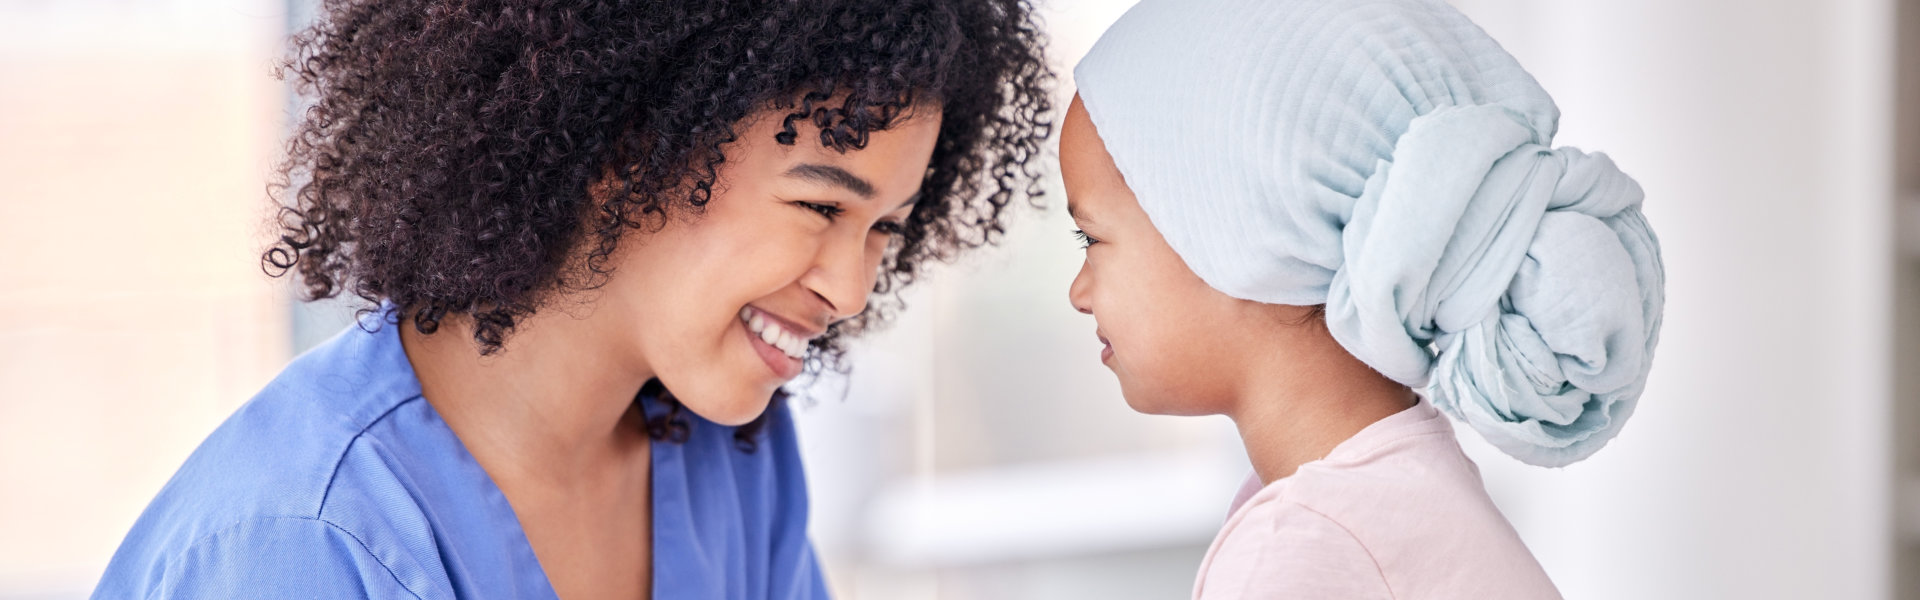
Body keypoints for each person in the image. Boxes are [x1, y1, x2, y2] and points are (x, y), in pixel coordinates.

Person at [92, 0, 1052, 598]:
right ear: (628, 148)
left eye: (886, 226)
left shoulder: (737, 459)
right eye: (818, 206)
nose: (851, 288)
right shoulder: (305, 546)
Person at [1061, 0, 1665, 597]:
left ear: (1228, 233)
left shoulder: (1303, 552)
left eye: (1090, 237)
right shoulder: (1390, 507)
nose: (1077, 293)